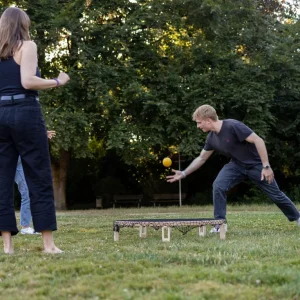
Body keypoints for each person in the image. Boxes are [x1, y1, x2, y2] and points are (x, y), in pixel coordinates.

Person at [0, 7, 70, 254]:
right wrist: (57, 81)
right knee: (38, 174)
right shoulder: (26, 46)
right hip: (25, 111)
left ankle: (7, 246)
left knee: (2, 179)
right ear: (23, 24)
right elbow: (28, 81)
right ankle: (48, 244)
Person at [167, 104, 300, 232]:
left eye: (199, 122)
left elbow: (258, 140)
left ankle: (298, 217)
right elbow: (202, 158)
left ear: (208, 120)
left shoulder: (232, 126)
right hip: (236, 165)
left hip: (256, 165)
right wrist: (184, 173)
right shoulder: (211, 138)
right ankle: (220, 224)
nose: (198, 126)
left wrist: (266, 166)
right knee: (219, 186)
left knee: (276, 195)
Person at [16, 131, 56, 235]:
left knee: (27, 192)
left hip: (18, 160)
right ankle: (25, 227)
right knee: (27, 192)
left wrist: (41, 134)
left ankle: (25, 226)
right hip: (13, 159)